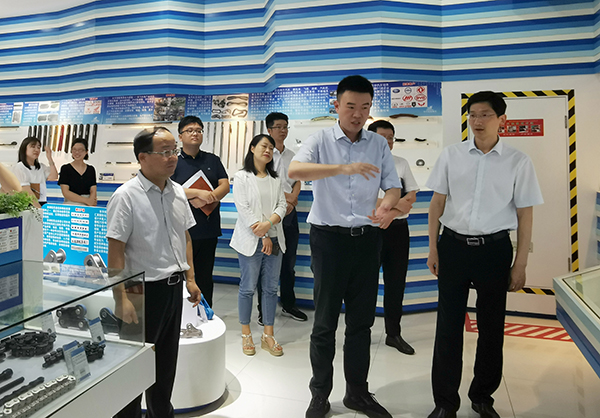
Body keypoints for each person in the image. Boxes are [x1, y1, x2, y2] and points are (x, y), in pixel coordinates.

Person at [289, 75, 401, 418]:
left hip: (367, 240)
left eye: (364, 107)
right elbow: (295, 170)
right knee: (324, 324)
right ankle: (320, 394)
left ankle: (357, 393)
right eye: (350, 106)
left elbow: (393, 186)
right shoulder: (320, 139)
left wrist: (388, 206)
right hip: (329, 241)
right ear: (336, 105)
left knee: (361, 323)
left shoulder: (378, 144)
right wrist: (342, 167)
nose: (357, 114)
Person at [425, 91, 543, 418]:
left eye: (485, 115)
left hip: (494, 250)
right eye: (473, 115)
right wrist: (433, 247)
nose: (477, 121)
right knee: (448, 326)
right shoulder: (452, 155)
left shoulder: (518, 161)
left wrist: (520, 263)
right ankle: (445, 402)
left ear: (502, 120)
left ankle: (482, 396)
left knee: (491, 327)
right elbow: (437, 203)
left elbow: (525, 214)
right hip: (453, 247)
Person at [107, 126, 202, 418]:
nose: (172, 157)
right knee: (134, 369)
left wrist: (190, 278)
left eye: (174, 151)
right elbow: (116, 251)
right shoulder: (126, 196)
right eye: (164, 152)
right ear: (142, 157)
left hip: (172, 289)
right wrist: (121, 298)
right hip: (140, 291)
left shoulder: (177, 191)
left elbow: (184, 236)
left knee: (165, 367)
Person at [230, 134, 287, 357]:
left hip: (275, 239)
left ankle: (268, 335)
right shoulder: (241, 177)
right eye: (264, 146)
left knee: (271, 289)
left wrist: (268, 225)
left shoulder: (275, 178)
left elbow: (282, 205)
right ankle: (246, 334)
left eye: (271, 148)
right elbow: (243, 208)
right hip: (250, 241)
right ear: (252, 148)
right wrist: (262, 232)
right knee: (247, 288)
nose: (268, 151)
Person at [367, 120, 419, 355]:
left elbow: (411, 196)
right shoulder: (362, 165)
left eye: (391, 137)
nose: (388, 142)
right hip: (370, 231)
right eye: (383, 137)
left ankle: (393, 334)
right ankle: (361, 332)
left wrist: (391, 213)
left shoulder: (401, 163)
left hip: (397, 230)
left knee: (396, 283)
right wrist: (396, 205)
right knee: (365, 285)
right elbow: (362, 198)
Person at [172, 115, 229, 307]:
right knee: (183, 276)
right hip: (182, 230)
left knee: (205, 276)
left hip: (208, 228)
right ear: (180, 136)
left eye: (198, 130)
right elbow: (168, 189)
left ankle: (206, 313)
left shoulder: (212, 159)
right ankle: (182, 314)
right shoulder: (173, 161)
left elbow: (224, 185)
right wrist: (197, 193)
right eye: (189, 130)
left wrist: (211, 197)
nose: (195, 133)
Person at [256, 112, 307, 325]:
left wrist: (293, 199)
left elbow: (297, 180)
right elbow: (263, 183)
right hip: (270, 216)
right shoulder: (263, 155)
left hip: (290, 215)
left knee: (288, 263)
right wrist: (287, 198)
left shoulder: (293, 155)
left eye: (285, 126)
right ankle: (263, 309)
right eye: (278, 127)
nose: (283, 130)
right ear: (269, 130)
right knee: (266, 264)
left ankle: (288, 304)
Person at [13, 136, 58, 207]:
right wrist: (39, 208)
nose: (36, 150)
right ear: (24, 149)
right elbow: (26, 191)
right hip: (28, 204)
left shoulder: (41, 166)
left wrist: (49, 158)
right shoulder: (20, 167)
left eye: (38, 147)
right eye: (33, 146)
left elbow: (54, 177)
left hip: (42, 202)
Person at [58, 138, 97, 206]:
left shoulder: (91, 169)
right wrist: (87, 201)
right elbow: (66, 192)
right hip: (70, 204)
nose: (77, 152)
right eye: (74, 149)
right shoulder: (65, 168)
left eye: (80, 150)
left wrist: (91, 203)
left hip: (88, 205)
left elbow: (93, 190)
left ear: (86, 151)